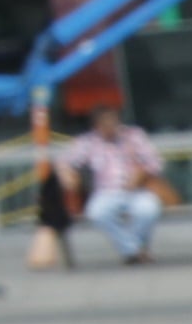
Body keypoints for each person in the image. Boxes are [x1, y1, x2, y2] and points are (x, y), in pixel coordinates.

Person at [59, 104, 169, 263]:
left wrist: (141, 173)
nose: (110, 127)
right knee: (97, 213)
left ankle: (131, 251)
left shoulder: (134, 136)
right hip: (106, 192)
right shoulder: (88, 142)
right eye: (105, 124)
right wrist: (67, 175)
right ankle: (134, 250)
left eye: (113, 122)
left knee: (148, 210)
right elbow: (66, 162)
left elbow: (156, 163)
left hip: (137, 190)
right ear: (97, 126)